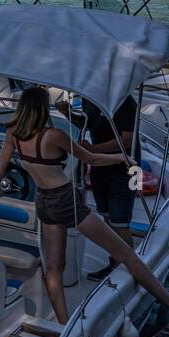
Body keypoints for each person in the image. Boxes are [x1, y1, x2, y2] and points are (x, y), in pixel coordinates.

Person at [0, 86, 169, 326]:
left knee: (54, 268)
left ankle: (64, 324)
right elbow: (90, 158)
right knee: (126, 254)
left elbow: (1, 164)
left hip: (44, 201)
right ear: (42, 108)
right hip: (65, 199)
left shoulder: (12, 133)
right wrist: (123, 158)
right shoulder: (53, 136)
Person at [56, 95, 138, 281]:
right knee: (108, 217)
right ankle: (116, 263)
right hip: (100, 167)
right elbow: (88, 124)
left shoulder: (125, 101)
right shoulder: (90, 98)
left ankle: (129, 269)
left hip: (124, 168)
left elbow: (127, 140)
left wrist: (93, 150)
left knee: (120, 221)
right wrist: (68, 113)